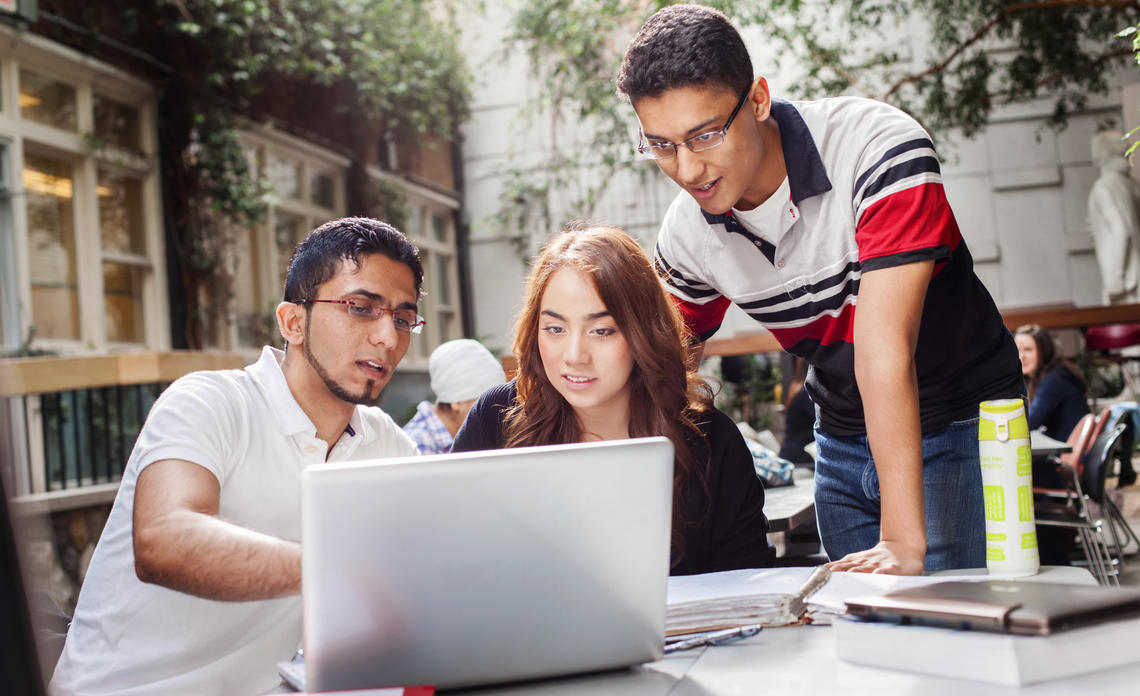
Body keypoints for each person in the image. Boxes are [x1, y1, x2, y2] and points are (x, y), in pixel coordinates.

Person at [616, 3, 1024, 575]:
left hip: (958, 419)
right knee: (866, 641)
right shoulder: (688, 233)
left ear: (758, 99)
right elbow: (655, 373)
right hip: (838, 432)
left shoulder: (879, 150)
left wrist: (905, 541)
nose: (687, 171)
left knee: (951, 628)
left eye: (704, 135)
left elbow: (882, 348)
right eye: (661, 145)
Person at [51, 217, 424, 696]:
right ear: (293, 322)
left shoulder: (386, 445)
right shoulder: (208, 401)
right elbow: (165, 538)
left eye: (401, 318)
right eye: (360, 308)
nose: (388, 338)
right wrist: (336, 568)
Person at [452, 225, 775, 575]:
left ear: (643, 334)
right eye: (555, 329)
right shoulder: (496, 418)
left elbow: (748, 587)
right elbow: (445, 550)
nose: (575, 355)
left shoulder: (711, 443)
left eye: (602, 331)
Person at [403, 338, 507, 454]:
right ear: (456, 402)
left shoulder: (467, 439)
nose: (495, 414)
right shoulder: (419, 446)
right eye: (485, 404)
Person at [1088, 130, 1140, 305]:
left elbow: (1121, 230)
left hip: (1126, 284)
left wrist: (1115, 276)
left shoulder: (1104, 187)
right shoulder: (1131, 185)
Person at [1014, 324, 1089, 442]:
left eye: (1028, 350)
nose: (1021, 356)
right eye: (1017, 350)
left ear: (1044, 351)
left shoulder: (1054, 380)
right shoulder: (1052, 375)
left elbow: (1029, 423)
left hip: (1067, 454)